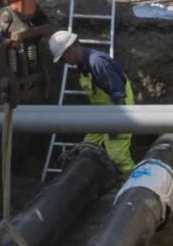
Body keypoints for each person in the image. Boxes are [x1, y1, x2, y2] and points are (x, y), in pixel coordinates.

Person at [47, 29, 133, 174]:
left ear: (70, 51)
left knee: (118, 156)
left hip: (120, 112)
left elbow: (119, 96)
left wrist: (117, 125)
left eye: (63, 58)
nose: (64, 62)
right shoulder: (83, 65)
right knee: (87, 148)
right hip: (101, 113)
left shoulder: (97, 63)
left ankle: (131, 187)